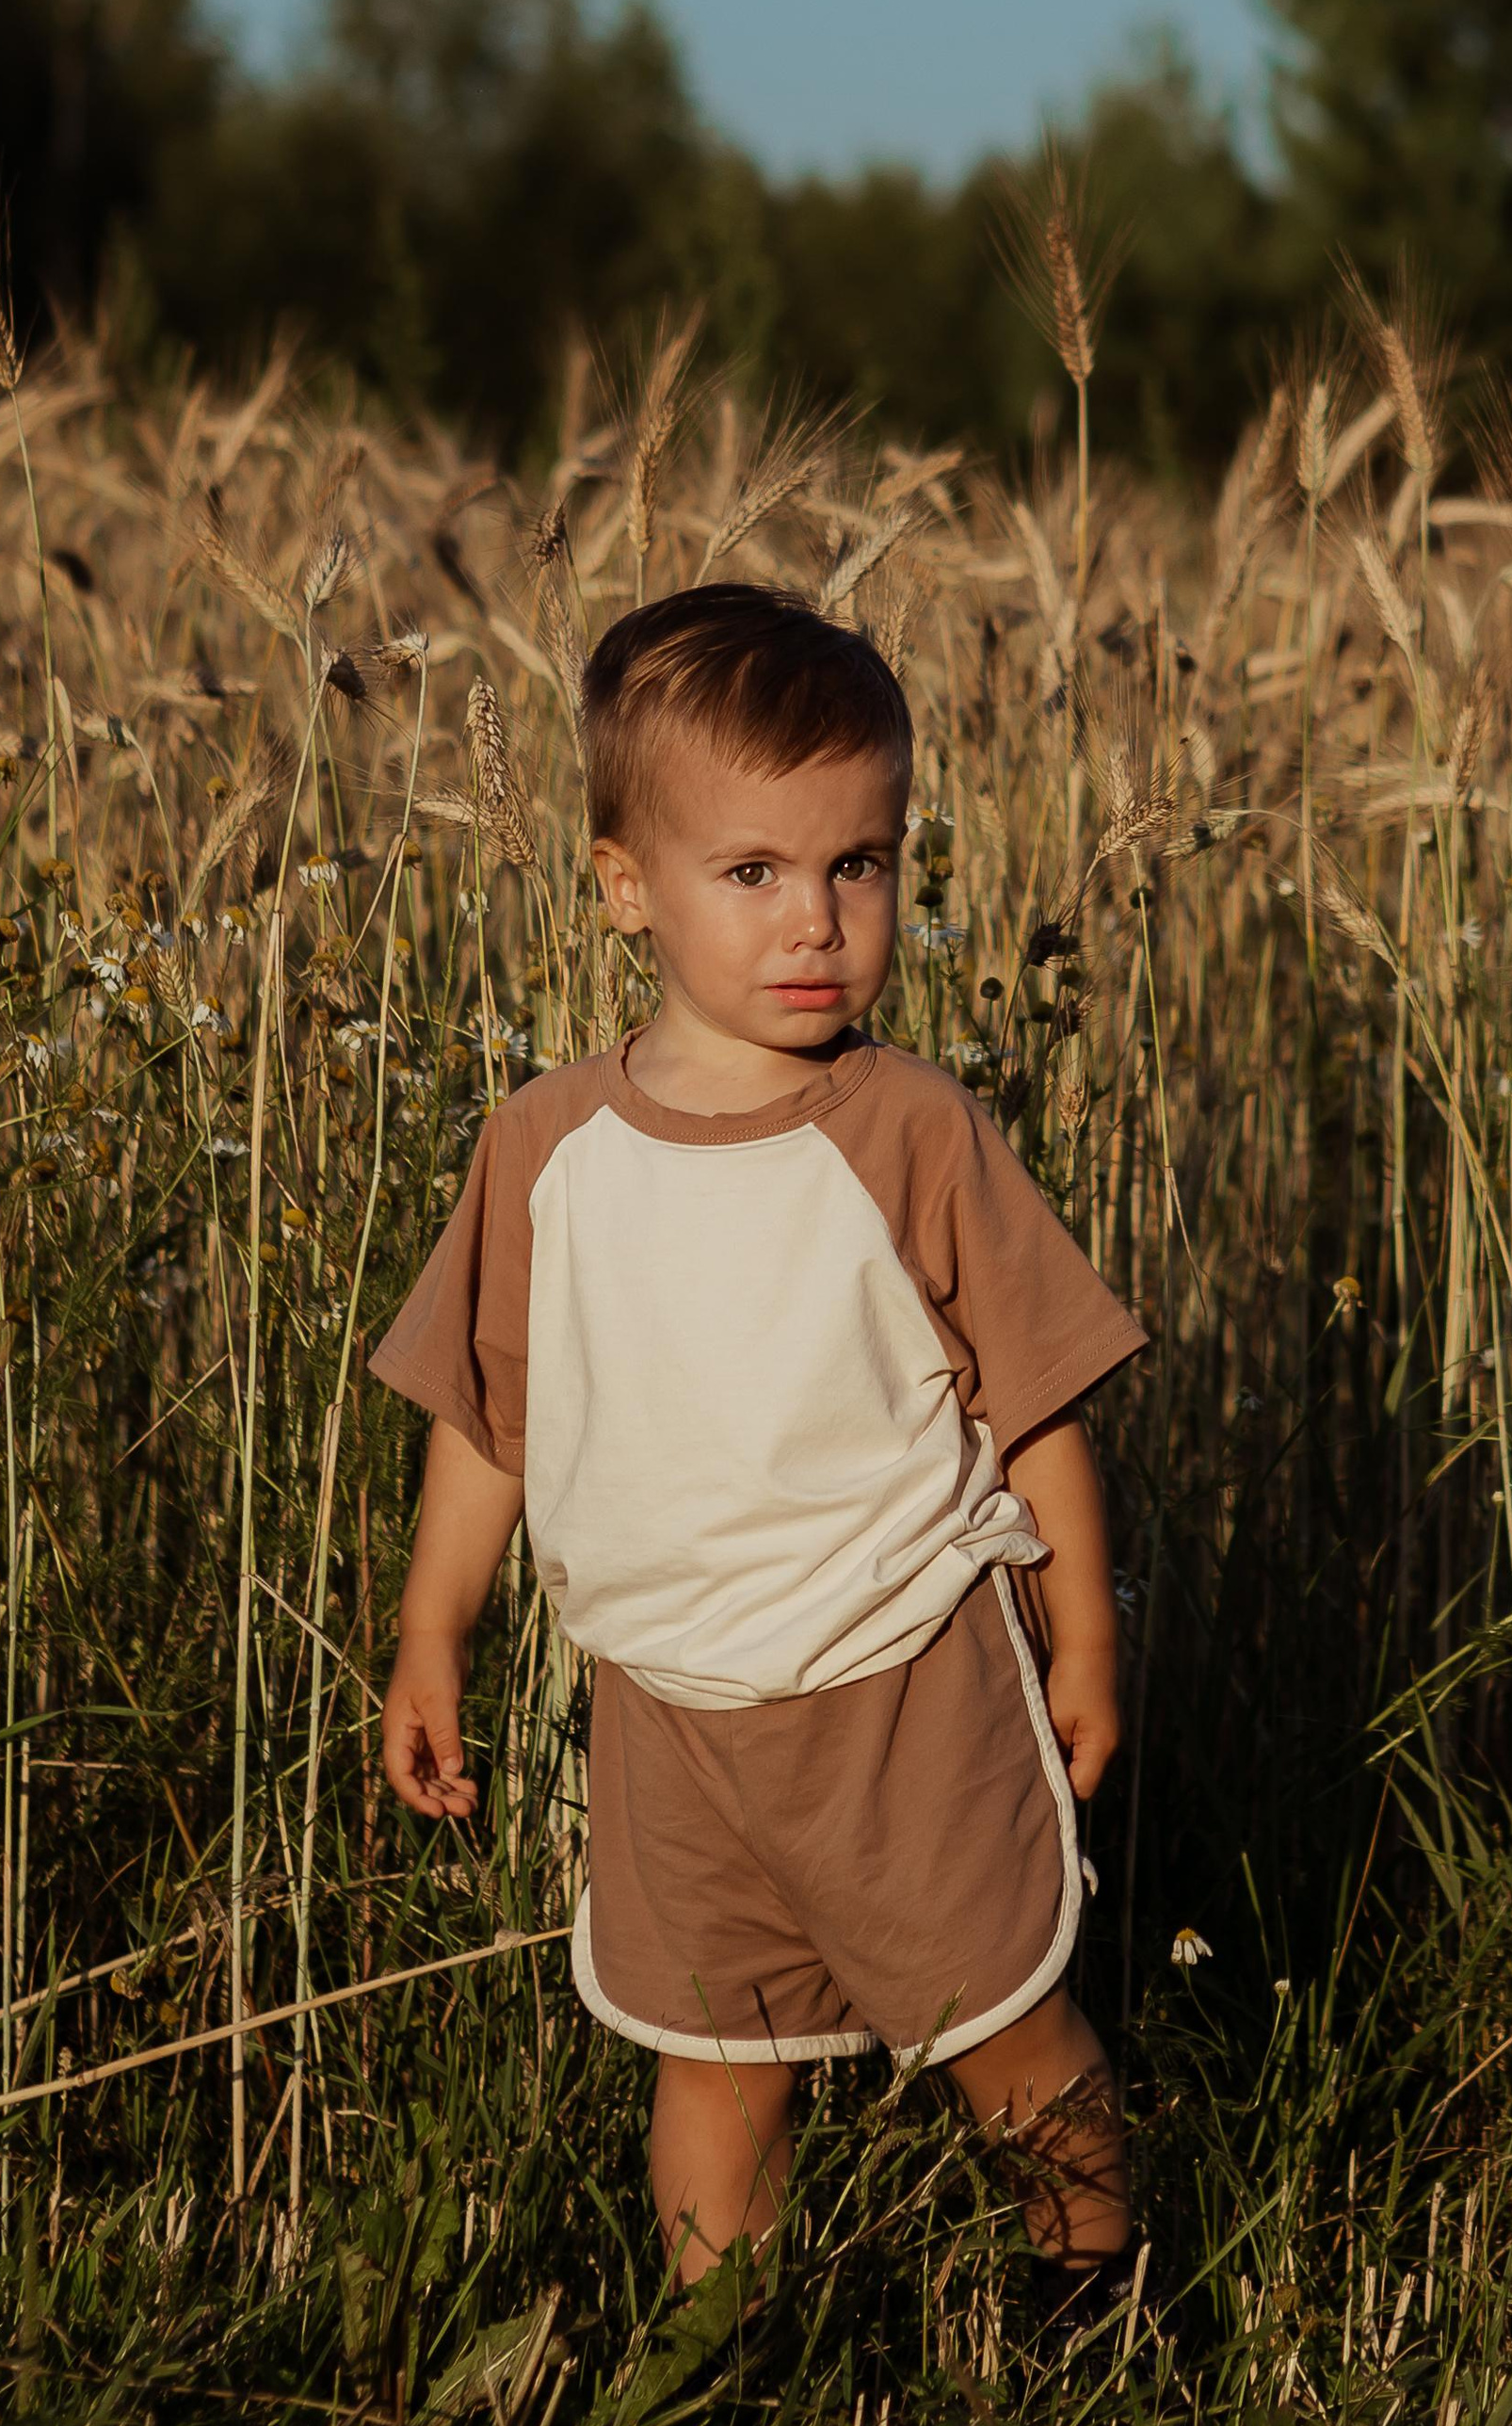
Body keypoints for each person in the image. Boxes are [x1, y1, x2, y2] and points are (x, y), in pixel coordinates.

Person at [373, 582, 1145, 2288]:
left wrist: (1082, 1636)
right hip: (673, 1702)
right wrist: (436, 1628)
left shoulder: (910, 1131)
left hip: (904, 1680)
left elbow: (1037, 1410)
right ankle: (721, 2364)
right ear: (623, 888)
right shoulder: (546, 1148)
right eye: (753, 874)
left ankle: (1104, 2300)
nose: (816, 921)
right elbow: (499, 1418)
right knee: (714, 2067)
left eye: (857, 866)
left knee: (1001, 2036)